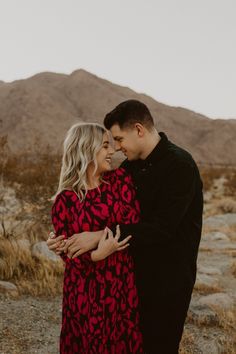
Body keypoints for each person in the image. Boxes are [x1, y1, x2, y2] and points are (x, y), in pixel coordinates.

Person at [48, 100, 203, 354]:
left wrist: (97, 237)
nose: (117, 149)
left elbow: (162, 228)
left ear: (139, 130)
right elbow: (87, 217)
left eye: (119, 140)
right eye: (111, 143)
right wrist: (60, 240)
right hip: (130, 279)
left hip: (167, 281)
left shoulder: (180, 166)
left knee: (159, 345)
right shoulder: (129, 169)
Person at [51, 122, 144, 353]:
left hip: (121, 284)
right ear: (86, 149)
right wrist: (95, 256)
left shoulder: (120, 182)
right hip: (85, 292)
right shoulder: (66, 200)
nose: (112, 151)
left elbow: (134, 222)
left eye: (111, 145)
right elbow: (68, 253)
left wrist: (100, 235)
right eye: (105, 146)